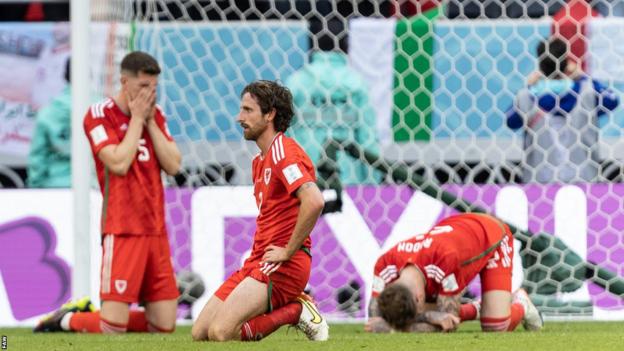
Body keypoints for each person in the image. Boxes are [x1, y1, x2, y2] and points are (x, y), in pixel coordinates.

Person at [34, 51, 182, 334]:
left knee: (164, 326)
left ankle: (91, 317)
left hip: (156, 229)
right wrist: (138, 120)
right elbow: (118, 162)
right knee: (113, 327)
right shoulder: (98, 115)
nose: (149, 94)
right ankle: (66, 319)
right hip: (123, 227)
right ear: (124, 82)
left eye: (153, 87)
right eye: (143, 86)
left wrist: (149, 121)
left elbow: (174, 165)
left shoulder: (156, 115)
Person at [191, 80, 328, 342]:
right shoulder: (260, 161)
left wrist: (288, 250)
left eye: (247, 110)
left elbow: (314, 200)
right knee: (201, 333)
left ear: (270, 115)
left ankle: (297, 311)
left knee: (222, 333)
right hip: (259, 261)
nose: (239, 117)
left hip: (284, 263)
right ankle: (292, 307)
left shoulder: (283, 153)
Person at [365, 213, 543, 333]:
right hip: (456, 229)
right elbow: (373, 318)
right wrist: (426, 315)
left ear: (419, 297)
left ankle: (521, 302)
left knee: (495, 325)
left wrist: (396, 326)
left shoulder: (445, 260)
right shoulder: (384, 264)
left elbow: (448, 321)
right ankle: (481, 306)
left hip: (492, 235)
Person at [506, 37, 619, 184]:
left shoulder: (527, 97)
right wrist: (583, 76)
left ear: (540, 65)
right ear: (567, 63)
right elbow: (613, 99)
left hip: (539, 186)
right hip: (584, 182)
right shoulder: (587, 92)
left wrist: (527, 86)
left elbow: (510, 121)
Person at [286, 21, 380, 185]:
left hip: (304, 183)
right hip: (349, 183)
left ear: (311, 44)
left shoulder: (295, 83)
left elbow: (282, 139)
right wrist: (373, 186)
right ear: (345, 45)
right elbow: (368, 138)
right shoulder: (356, 83)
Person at [27, 58, 71, 188]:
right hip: (94, 189)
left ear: (65, 75)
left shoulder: (48, 112)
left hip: (54, 187)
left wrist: (35, 186)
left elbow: (38, 156)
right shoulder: (101, 109)